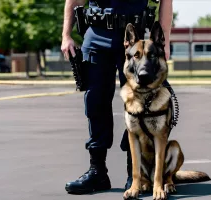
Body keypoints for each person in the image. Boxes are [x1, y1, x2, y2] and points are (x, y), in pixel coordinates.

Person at [61, 0, 173, 194]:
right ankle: (97, 171)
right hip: (96, 36)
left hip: (134, 40)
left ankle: (135, 173)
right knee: (95, 103)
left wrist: (165, 41)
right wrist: (66, 35)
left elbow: (166, 1)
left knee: (139, 106)